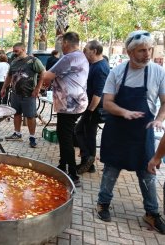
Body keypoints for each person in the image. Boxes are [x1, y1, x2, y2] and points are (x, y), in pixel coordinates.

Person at [95, 30, 165, 233]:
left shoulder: (157, 72)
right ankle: (103, 203)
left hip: (144, 132)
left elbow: (164, 102)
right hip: (117, 130)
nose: (147, 54)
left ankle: (151, 213)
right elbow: (107, 103)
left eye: (149, 49)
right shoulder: (117, 72)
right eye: (142, 50)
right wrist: (124, 112)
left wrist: (159, 119)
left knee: (148, 173)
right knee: (111, 170)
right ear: (129, 52)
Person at [42, 32, 89, 187]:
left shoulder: (69, 57)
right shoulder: (81, 56)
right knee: (65, 135)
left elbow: (47, 75)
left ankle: (73, 175)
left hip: (70, 105)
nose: (61, 46)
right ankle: (63, 166)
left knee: (65, 138)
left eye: (62, 43)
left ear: (66, 43)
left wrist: (37, 68)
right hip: (76, 103)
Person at [0, 42, 45, 148]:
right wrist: (3, 88)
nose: (15, 53)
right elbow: (9, 76)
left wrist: (38, 88)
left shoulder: (33, 61)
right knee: (16, 114)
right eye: (14, 51)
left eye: (17, 51)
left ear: (23, 49)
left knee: (30, 116)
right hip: (15, 93)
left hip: (29, 94)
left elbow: (43, 72)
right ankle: (17, 133)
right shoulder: (14, 62)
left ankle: (32, 137)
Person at [75, 40, 110, 174]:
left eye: (86, 50)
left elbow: (98, 93)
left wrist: (90, 111)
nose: (85, 52)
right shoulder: (93, 65)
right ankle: (89, 165)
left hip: (94, 108)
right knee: (88, 135)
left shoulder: (101, 68)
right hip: (89, 106)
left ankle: (88, 158)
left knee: (79, 131)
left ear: (94, 51)